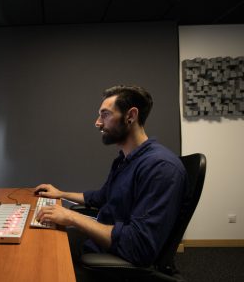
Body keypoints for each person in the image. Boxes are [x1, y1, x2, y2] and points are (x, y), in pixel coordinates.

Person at [34, 85, 188, 271]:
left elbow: (139, 247)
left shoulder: (160, 168)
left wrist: (72, 217)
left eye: (105, 114)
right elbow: (101, 197)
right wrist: (60, 193)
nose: (98, 122)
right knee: (39, 244)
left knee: (41, 262)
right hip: (99, 244)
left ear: (130, 116)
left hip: (114, 260)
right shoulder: (125, 160)